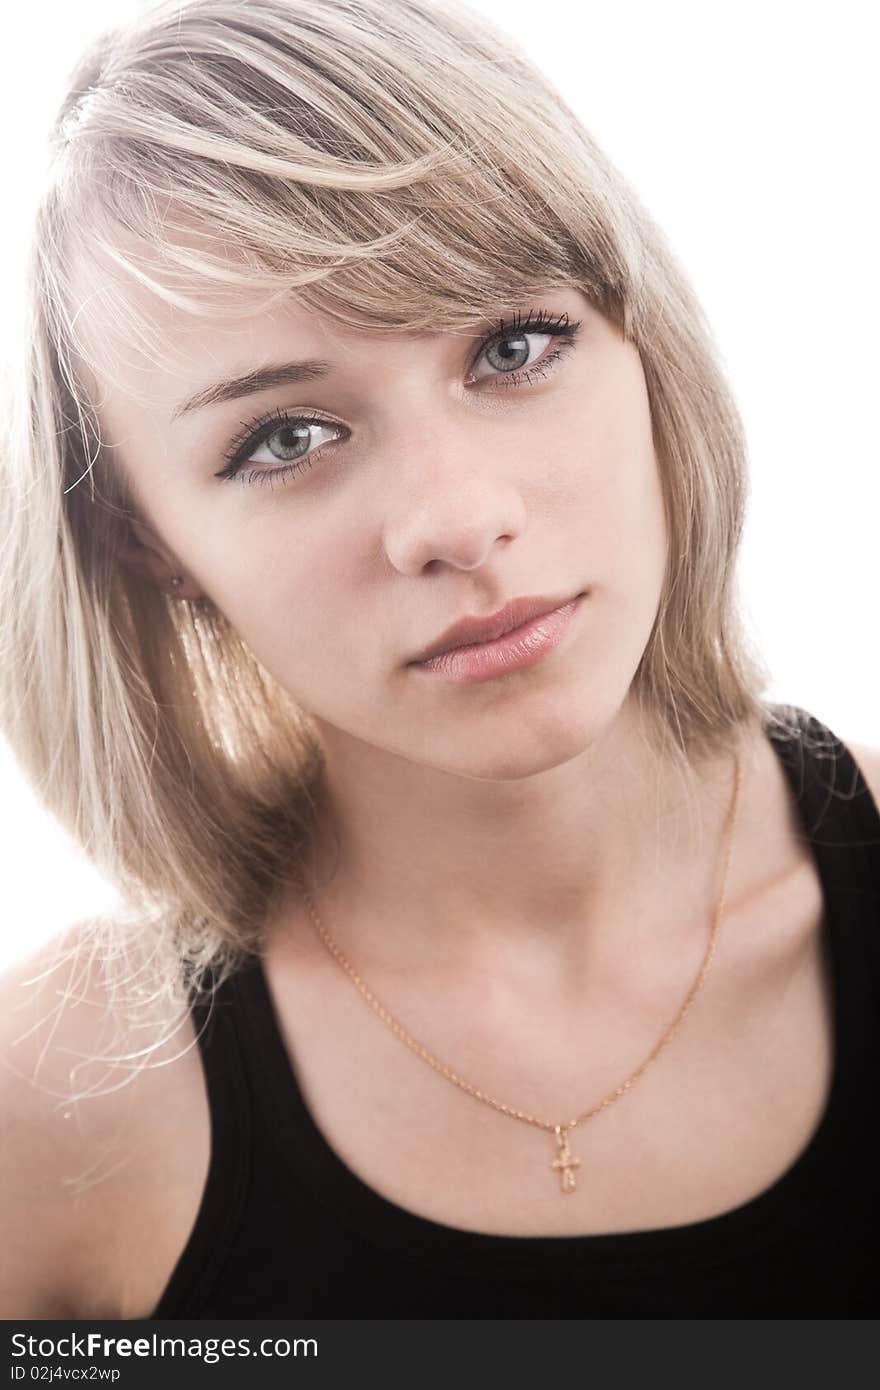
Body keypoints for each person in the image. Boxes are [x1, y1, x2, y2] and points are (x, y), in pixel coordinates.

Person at [0, 0, 877, 1321]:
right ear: (145, 541)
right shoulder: (62, 1101)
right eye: (287, 437)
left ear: (643, 341)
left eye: (514, 345)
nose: (461, 518)